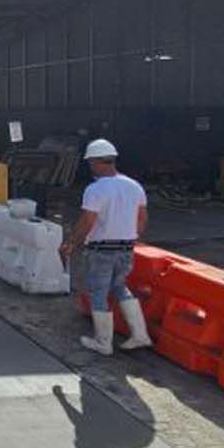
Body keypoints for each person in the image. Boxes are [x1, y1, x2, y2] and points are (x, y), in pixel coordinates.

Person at [60, 138, 152, 356]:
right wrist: (131, 238)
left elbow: (87, 221)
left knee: (98, 292)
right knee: (120, 287)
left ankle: (103, 342)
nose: (90, 167)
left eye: (90, 163)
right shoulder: (134, 186)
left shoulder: (95, 189)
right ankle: (140, 335)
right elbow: (142, 218)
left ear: (95, 162)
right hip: (126, 249)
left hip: (102, 250)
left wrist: (71, 242)